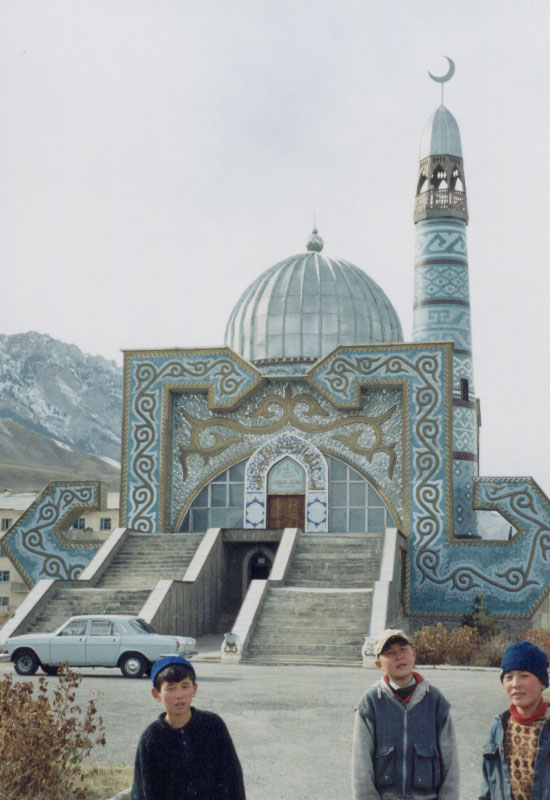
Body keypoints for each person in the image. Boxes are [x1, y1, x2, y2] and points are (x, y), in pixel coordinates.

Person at [352, 628, 459, 800]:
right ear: (379, 664)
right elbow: (361, 767)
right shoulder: (370, 703)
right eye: (390, 653)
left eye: (403, 649)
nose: (399, 656)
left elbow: (451, 763)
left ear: (413, 654)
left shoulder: (436, 701)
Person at [131, 655, 246, 800]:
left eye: (185, 686)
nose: (179, 695)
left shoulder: (213, 726)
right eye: (171, 688)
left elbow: (233, 778)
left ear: (194, 688)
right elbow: (142, 792)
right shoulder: (151, 739)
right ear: (157, 694)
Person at [479, 640, 550, 800]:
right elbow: (487, 785)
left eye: (524, 676)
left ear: (542, 683)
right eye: (509, 677)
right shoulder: (499, 727)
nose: (515, 684)